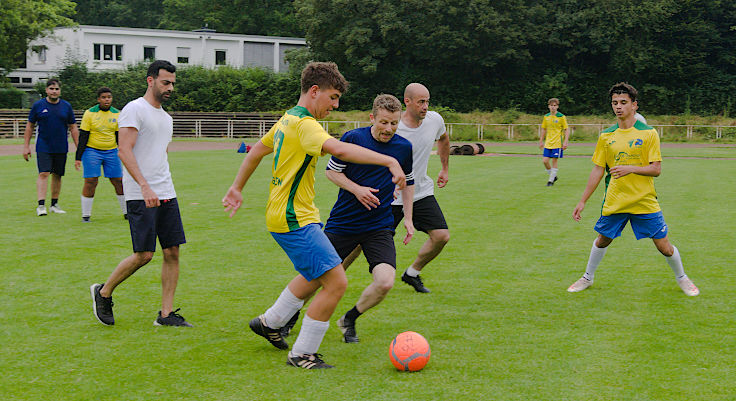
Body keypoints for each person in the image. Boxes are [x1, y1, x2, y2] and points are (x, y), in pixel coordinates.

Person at [222, 62, 406, 369]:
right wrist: (388, 161)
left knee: (314, 275)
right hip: (294, 218)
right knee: (337, 282)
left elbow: (255, 151)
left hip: (292, 215)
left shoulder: (287, 119)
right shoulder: (305, 124)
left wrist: (236, 187)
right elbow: (341, 151)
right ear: (315, 91)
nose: (336, 105)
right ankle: (302, 353)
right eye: (333, 97)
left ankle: (270, 322)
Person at [567, 82, 699, 297]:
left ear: (634, 105)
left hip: (644, 200)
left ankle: (683, 278)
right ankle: (587, 278)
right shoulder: (606, 136)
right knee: (602, 240)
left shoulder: (649, 134)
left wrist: (630, 169)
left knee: (663, 246)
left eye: (623, 102)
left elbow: (656, 170)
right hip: (616, 200)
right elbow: (598, 170)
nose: (618, 107)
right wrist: (583, 201)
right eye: (614, 103)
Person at [90, 60, 193, 327]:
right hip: (140, 192)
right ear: (150, 80)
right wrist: (145, 186)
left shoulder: (167, 118)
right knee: (144, 254)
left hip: (166, 191)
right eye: (165, 82)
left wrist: (161, 186)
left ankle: (166, 314)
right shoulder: (134, 110)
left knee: (172, 252)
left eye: (172, 83)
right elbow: (124, 150)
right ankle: (103, 292)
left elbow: (161, 154)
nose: (170, 87)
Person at [322, 94, 415, 344]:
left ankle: (349, 319)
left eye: (394, 123)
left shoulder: (404, 147)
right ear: (372, 117)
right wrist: (357, 189)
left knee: (385, 282)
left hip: (378, 226)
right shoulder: (354, 139)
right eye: (384, 122)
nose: (389, 129)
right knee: (318, 276)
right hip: (343, 223)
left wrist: (408, 218)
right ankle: (287, 317)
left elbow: (408, 183)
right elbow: (331, 172)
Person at [391, 83, 450, 293]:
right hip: (391, 195)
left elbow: (443, 138)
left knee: (441, 236)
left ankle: (412, 273)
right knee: (363, 241)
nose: (425, 107)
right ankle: (334, 276)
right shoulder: (393, 125)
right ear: (407, 102)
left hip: (420, 192)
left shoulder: (434, 120)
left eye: (427, 101)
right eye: (421, 102)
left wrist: (444, 168)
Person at [23, 79, 79, 216]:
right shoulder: (38, 106)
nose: (54, 91)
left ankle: (54, 204)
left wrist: (79, 148)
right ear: (47, 90)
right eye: (51, 89)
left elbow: (73, 127)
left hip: (61, 147)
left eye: (57, 89)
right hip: (43, 146)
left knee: (58, 175)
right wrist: (26, 146)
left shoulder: (66, 106)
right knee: (44, 173)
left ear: (60, 91)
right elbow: (30, 126)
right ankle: (41, 205)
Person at [75, 87, 127, 222]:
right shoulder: (89, 113)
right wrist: (78, 158)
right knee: (91, 181)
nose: (107, 99)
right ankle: (86, 215)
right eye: (103, 97)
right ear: (98, 99)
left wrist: (122, 152)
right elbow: (83, 136)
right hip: (92, 151)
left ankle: (127, 212)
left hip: (112, 151)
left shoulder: (117, 114)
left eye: (109, 97)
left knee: (119, 181)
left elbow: (118, 136)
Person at [538, 98, 570, 186]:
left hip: (557, 143)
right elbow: (544, 129)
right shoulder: (546, 117)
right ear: (549, 106)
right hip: (548, 143)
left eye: (555, 105)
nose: (553, 107)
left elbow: (566, 129)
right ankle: (553, 175)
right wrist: (541, 141)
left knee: (554, 161)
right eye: (551, 105)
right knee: (545, 161)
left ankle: (550, 181)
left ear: (557, 107)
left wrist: (566, 142)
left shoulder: (561, 117)